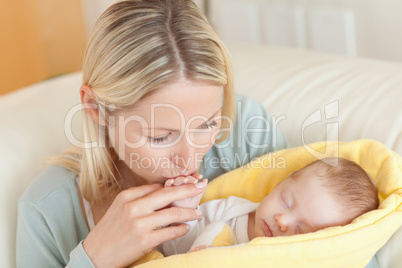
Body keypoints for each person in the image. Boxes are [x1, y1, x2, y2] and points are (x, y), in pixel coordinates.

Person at [16, 0, 288, 267]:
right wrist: (93, 259)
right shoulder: (46, 210)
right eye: (160, 137)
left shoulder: (249, 134)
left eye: (206, 125)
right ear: (95, 108)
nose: (190, 162)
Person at [160, 157, 379, 256]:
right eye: (286, 201)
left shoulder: (279, 259)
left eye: (300, 230)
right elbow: (170, 248)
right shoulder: (230, 211)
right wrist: (183, 214)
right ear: (282, 181)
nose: (282, 221)